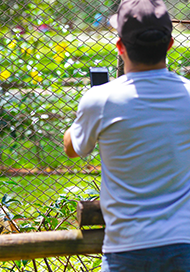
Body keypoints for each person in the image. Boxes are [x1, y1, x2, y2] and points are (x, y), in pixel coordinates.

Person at [63, 0, 190, 271]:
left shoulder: (101, 99)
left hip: (127, 247)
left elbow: (73, 148)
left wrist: (85, 116)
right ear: (169, 44)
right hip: (184, 242)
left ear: (120, 47)